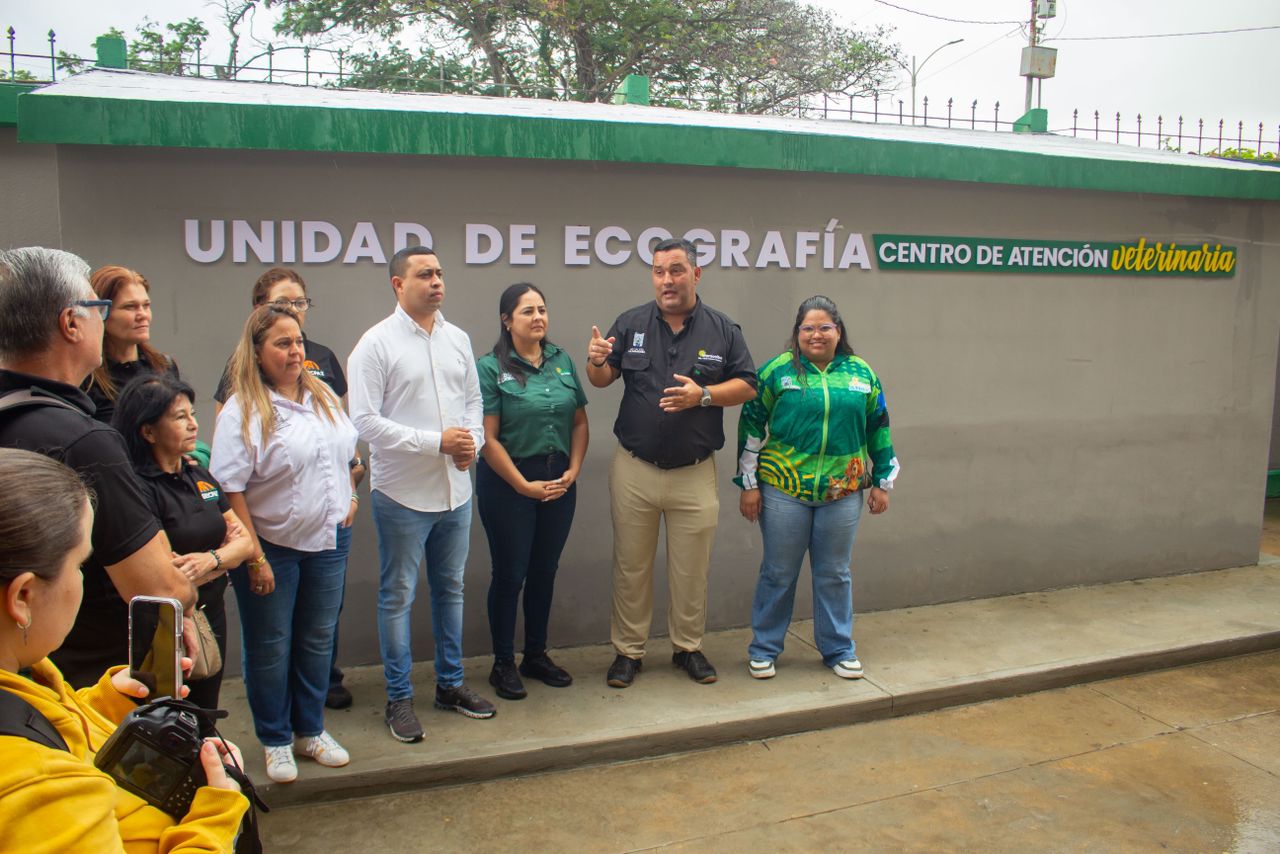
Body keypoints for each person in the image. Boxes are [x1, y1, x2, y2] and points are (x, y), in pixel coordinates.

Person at [0, 447, 249, 852]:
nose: (81, 582)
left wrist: (104, 704)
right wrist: (216, 813)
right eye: (80, 566)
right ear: (23, 596)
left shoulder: (25, 678)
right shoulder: (39, 790)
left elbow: (45, 730)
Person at [0, 247, 195, 687]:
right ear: (71, 323)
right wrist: (186, 592)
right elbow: (159, 590)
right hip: (89, 685)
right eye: (99, 307)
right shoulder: (84, 441)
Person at [585, 237, 757, 688]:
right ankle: (628, 652)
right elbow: (602, 380)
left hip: (694, 473)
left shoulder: (722, 329)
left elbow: (748, 385)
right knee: (631, 565)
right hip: (634, 469)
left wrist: (703, 395)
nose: (667, 279)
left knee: (691, 567)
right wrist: (596, 361)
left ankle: (688, 648)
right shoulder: (631, 322)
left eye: (676, 270)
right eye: (659, 271)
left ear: (696, 274)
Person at [348, 245, 494, 744]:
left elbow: (474, 402)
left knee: (450, 589)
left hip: (456, 491)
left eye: (440, 272)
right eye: (424, 274)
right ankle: (399, 698)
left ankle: (450, 686)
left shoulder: (457, 339)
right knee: (398, 597)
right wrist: (436, 443)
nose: (436, 281)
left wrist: (470, 441)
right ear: (397, 284)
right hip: (403, 496)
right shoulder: (375, 344)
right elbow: (363, 421)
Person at [210, 304, 358, 783]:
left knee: (317, 639)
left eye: (297, 341)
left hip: (329, 540)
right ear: (257, 351)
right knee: (271, 645)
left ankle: (310, 730)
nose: (294, 351)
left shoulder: (324, 395)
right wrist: (253, 556)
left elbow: (346, 457)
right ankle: (275, 739)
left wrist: (351, 497)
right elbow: (229, 488)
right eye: (281, 343)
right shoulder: (243, 408)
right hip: (270, 546)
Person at [736, 295, 899, 680]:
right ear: (797, 333)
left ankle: (838, 648)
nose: (816, 335)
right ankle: (764, 648)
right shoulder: (777, 372)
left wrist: (883, 480)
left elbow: (879, 426)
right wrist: (749, 484)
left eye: (825, 327)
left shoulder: (861, 374)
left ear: (838, 332)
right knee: (778, 571)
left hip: (842, 495)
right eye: (808, 328)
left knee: (834, 573)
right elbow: (751, 428)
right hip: (782, 491)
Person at [113, 374, 256, 714]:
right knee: (167, 716)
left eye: (192, 414)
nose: (194, 425)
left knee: (205, 714)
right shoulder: (137, 489)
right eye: (180, 417)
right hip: (164, 626)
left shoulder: (200, 476)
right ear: (148, 431)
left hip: (211, 614)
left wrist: (209, 561)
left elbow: (246, 543)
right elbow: (167, 571)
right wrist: (224, 555)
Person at [476, 283, 588, 700]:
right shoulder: (489, 367)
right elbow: (487, 439)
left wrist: (573, 470)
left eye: (542, 309)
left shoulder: (561, 361)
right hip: (509, 482)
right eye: (527, 311)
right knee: (510, 574)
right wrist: (523, 486)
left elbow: (578, 422)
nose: (538, 317)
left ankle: (535, 655)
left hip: (558, 478)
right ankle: (502, 663)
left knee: (545, 571)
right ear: (507, 320)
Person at [82, 265, 180, 427]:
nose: (143, 315)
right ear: (101, 312)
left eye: (146, 305)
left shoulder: (165, 367)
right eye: (130, 307)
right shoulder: (87, 377)